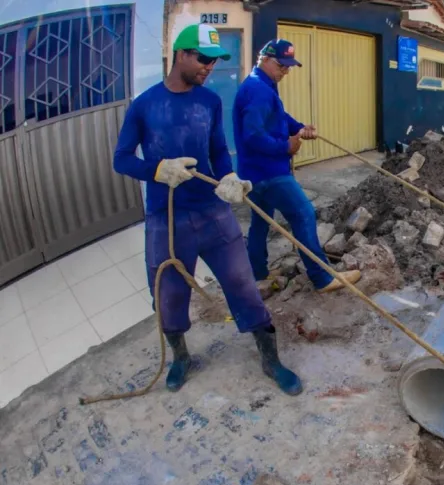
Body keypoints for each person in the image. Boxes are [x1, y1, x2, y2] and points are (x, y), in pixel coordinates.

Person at [113, 24, 302, 396]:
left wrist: (229, 176)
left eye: (214, 61)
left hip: (213, 213)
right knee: (168, 294)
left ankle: (270, 358)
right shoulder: (145, 105)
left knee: (243, 285)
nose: (208, 67)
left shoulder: (210, 102)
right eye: (202, 58)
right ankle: (181, 357)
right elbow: (121, 159)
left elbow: (217, 149)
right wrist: (156, 170)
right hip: (165, 220)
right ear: (180, 54)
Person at [233, 39, 361, 293]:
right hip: (269, 172)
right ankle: (322, 278)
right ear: (265, 59)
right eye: (282, 66)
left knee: (260, 223)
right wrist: (285, 147)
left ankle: (258, 273)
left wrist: (300, 129)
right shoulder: (259, 90)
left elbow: (278, 118)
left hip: (252, 173)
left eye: (289, 67)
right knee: (303, 213)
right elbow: (253, 135)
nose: (286, 72)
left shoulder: (261, 85)